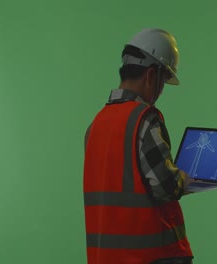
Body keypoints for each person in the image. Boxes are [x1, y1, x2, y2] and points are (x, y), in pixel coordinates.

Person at [83, 28, 194, 264]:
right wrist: (184, 177)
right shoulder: (144, 119)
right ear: (151, 76)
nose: (161, 90)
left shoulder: (95, 126)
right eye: (164, 80)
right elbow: (166, 187)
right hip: (152, 257)